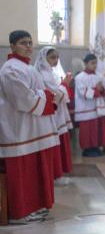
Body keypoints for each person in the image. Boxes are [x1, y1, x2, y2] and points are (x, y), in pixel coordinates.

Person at [0, 31, 61, 223]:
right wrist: (47, 97)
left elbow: (38, 93)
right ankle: (19, 213)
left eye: (30, 43)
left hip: (33, 128)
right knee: (21, 172)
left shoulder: (28, 68)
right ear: (12, 46)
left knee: (33, 173)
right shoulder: (10, 69)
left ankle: (32, 208)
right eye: (23, 43)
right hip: (19, 130)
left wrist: (43, 95)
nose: (28, 46)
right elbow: (24, 99)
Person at [34, 46, 74, 177]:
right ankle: (55, 173)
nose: (56, 60)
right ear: (44, 58)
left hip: (58, 112)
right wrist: (65, 84)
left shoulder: (53, 72)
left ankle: (59, 171)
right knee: (54, 140)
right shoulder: (43, 74)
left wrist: (63, 85)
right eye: (52, 57)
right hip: (52, 112)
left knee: (59, 140)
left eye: (57, 57)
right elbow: (56, 95)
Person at [74, 54, 105, 157]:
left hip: (98, 109)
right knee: (87, 130)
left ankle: (96, 147)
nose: (94, 65)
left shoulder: (99, 76)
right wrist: (97, 90)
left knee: (98, 128)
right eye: (92, 63)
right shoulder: (79, 77)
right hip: (85, 108)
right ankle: (87, 149)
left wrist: (103, 89)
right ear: (86, 64)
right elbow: (82, 92)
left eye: (96, 63)